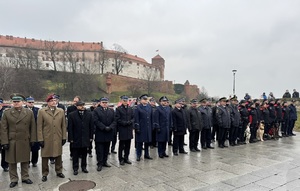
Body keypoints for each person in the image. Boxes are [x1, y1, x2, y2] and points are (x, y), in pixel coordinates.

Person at [1, 93, 36, 188]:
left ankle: (25, 177)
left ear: (23, 102)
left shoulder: (29, 112)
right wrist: (4, 142)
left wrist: (33, 139)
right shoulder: (7, 113)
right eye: (14, 101)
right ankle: (14, 179)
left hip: (24, 140)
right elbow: (3, 128)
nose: (16, 103)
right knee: (12, 161)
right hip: (12, 140)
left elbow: (32, 127)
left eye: (18, 101)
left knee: (25, 160)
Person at [37, 94, 67, 182]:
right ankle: (45, 173)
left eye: (55, 101)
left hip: (58, 136)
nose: (54, 102)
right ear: (48, 102)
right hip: (46, 137)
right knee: (45, 156)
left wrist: (64, 137)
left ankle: (59, 171)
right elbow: (39, 126)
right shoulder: (42, 111)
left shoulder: (60, 111)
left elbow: (63, 126)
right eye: (51, 101)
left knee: (58, 155)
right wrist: (40, 139)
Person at [68, 101, 93, 175]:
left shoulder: (89, 114)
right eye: (80, 105)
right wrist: (71, 138)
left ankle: (84, 167)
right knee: (75, 154)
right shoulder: (72, 115)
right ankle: (75, 168)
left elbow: (91, 127)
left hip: (85, 137)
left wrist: (91, 137)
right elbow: (70, 128)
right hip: (76, 137)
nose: (82, 106)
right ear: (77, 106)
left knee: (84, 153)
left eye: (82, 105)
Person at [94, 97, 116, 171]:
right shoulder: (96, 110)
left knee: (107, 148)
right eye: (103, 102)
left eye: (106, 102)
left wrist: (110, 127)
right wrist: (104, 127)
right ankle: (99, 163)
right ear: (100, 103)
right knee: (99, 149)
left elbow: (114, 121)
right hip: (100, 132)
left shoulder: (111, 111)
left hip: (109, 132)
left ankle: (105, 161)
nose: (104, 104)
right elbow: (96, 121)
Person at [115, 95, 134, 165]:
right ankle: (121, 159)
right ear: (122, 101)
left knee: (128, 145)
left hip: (129, 129)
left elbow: (133, 117)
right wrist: (124, 123)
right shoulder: (118, 109)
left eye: (126, 100)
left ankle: (126, 157)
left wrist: (131, 122)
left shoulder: (130, 108)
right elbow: (117, 119)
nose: (125, 102)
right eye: (124, 101)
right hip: (122, 129)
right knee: (121, 145)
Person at [134, 94, 153, 161]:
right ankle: (138, 155)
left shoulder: (149, 107)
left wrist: (152, 126)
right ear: (141, 100)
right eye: (144, 99)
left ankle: (147, 154)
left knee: (147, 142)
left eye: (146, 99)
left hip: (148, 127)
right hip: (141, 127)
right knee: (139, 142)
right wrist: (137, 127)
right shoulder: (138, 107)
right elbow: (136, 118)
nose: (145, 101)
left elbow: (151, 117)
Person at [24, 96, 40, 167]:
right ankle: (26, 162)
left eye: (32, 102)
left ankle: (34, 161)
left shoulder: (38, 110)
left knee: (35, 148)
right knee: (26, 148)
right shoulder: (23, 110)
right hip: (25, 131)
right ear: (26, 102)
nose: (31, 103)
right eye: (29, 102)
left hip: (35, 131)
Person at [66, 96, 81, 161]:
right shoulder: (70, 108)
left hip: (80, 128)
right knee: (72, 142)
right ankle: (72, 154)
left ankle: (79, 154)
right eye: (74, 101)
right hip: (73, 127)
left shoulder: (81, 108)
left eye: (76, 101)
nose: (75, 102)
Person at [0, 98, 9, 172]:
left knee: (4, 152)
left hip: (3, 134)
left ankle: (5, 165)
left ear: (2, 104)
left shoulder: (5, 112)